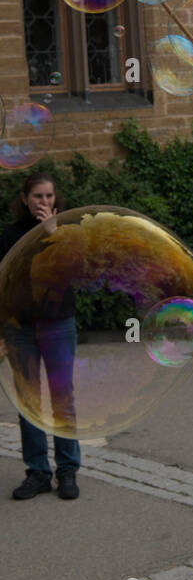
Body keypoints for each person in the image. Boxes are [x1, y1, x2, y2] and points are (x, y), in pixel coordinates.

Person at [0, 172, 80, 501]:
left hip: (58, 325)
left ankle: (67, 471)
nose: (44, 203)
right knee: (28, 402)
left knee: (63, 398)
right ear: (24, 199)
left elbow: (73, 271)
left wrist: (52, 233)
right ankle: (37, 472)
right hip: (20, 330)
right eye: (37, 197)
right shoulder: (9, 236)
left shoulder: (68, 233)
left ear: (55, 199)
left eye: (49, 197)